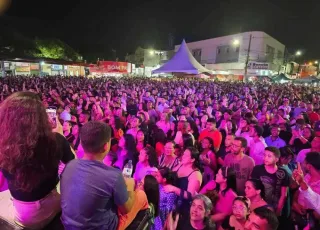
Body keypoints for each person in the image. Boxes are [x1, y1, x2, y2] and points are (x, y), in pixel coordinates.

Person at [0, 92, 75, 229]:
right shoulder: (55, 141)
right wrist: (61, 136)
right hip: (49, 206)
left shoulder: (3, 145)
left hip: (20, 210)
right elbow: (75, 164)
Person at [60, 121, 135, 230]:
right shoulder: (113, 175)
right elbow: (126, 209)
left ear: (81, 142)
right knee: (141, 195)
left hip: (67, 225)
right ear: (106, 146)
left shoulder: (70, 165)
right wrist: (130, 187)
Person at [163, 147, 202, 218]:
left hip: (182, 207)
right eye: (183, 154)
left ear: (192, 159)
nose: (183, 156)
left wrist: (174, 189)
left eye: (186, 155)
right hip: (171, 200)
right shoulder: (181, 164)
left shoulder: (195, 174)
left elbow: (191, 195)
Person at [250, 147, 289, 216]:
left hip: (274, 207)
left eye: (269, 156)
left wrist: (278, 211)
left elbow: (283, 195)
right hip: (258, 206)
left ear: (276, 159)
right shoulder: (257, 169)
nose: (265, 158)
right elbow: (251, 187)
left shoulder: (282, 173)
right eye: (264, 155)